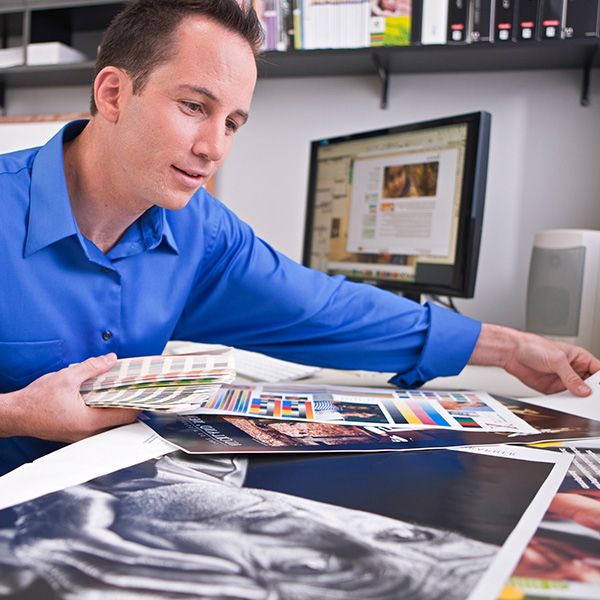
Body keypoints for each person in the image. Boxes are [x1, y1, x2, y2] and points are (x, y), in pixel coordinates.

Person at [0, 0, 598, 476]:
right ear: (113, 94)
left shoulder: (199, 229)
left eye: (232, 122)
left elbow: (326, 309)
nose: (214, 147)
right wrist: (18, 412)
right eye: (192, 106)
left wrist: (507, 348)